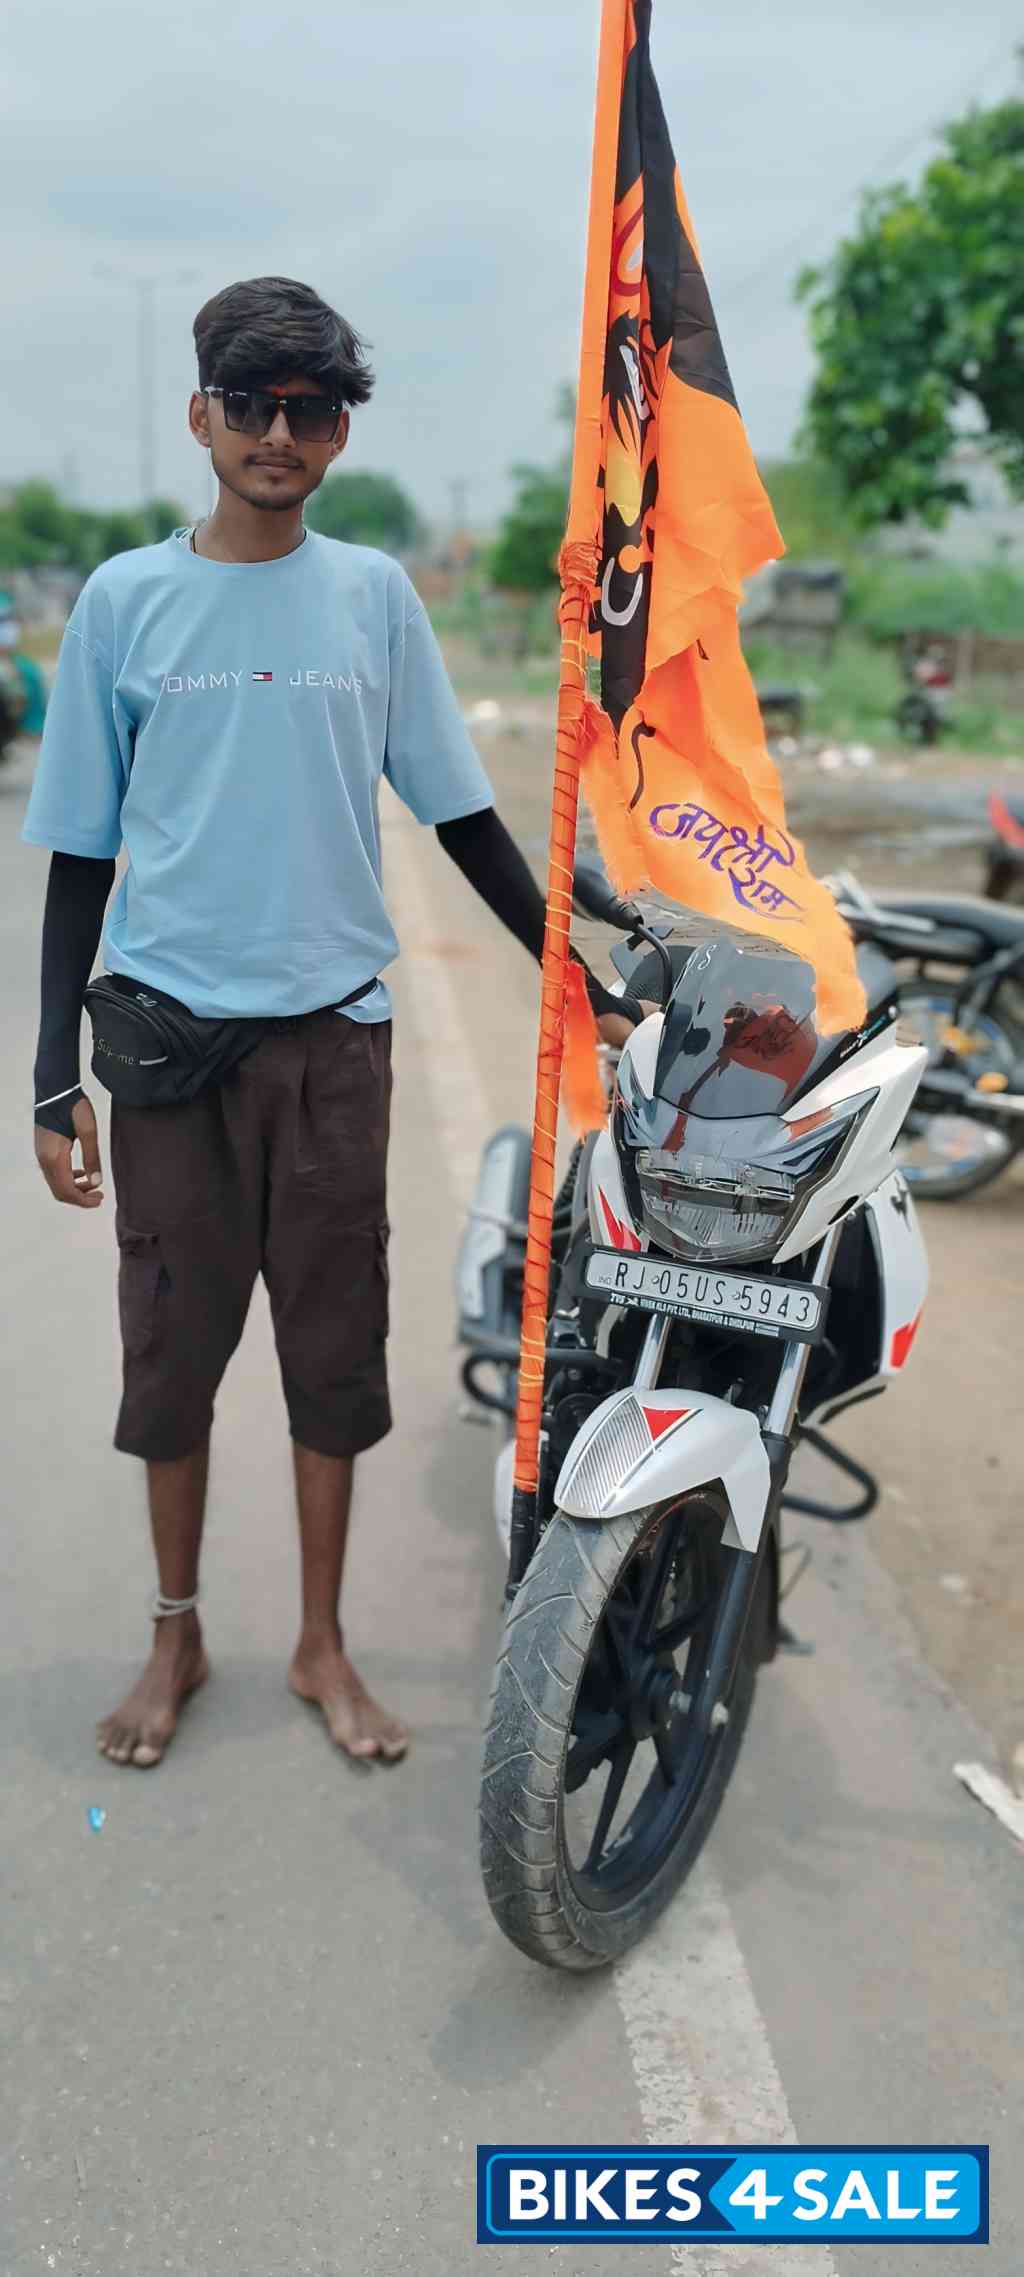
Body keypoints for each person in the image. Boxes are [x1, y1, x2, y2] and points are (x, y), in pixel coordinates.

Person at [25, 275, 637, 1772]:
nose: (278, 434)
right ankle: (175, 1628)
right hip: (169, 1049)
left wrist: (585, 977)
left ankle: (319, 1641)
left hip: (330, 1054)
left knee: (333, 1357)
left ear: (340, 430)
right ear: (203, 418)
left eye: (309, 408)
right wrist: (53, 1078)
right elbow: (82, 857)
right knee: (170, 1362)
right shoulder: (123, 603)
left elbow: (463, 817)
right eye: (251, 404)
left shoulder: (372, 597)